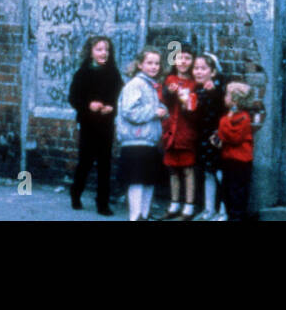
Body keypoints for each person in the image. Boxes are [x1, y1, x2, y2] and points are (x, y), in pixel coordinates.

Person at [67, 34, 123, 215]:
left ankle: (102, 203)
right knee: (86, 161)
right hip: (88, 123)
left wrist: (111, 107)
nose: (103, 53)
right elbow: (73, 97)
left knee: (105, 163)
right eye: (99, 49)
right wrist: (88, 105)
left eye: (106, 50)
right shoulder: (83, 73)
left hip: (106, 124)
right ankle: (76, 192)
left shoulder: (113, 73)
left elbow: (119, 97)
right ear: (90, 52)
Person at [116, 47, 168, 221]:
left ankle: (143, 216)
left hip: (148, 141)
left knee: (148, 180)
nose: (154, 67)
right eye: (149, 63)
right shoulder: (136, 84)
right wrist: (155, 111)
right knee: (137, 180)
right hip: (136, 140)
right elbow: (129, 112)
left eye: (157, 63)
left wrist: (162, 110)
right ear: (140, 64)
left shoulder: (151, 85)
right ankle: (135, 216)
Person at [160, 45, 199, 220]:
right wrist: (169, 92)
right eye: (180, 57)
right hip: (171, 131)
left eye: (187, 58)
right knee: (173, 169)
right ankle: (174, 203)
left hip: (186, 131)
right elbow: (163, 100)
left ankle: (189, 206)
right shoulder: (169, 80)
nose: (183, 61)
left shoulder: (194, 83)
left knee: (188, 169)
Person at [191, 52, 227, 221]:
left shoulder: (219, 90)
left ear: (212, 72)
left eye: (203, 68)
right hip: (203, 138)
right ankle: (209, 209)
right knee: (208, 174)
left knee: (220, 174)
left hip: (216, 138)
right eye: (196, 68)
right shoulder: (197, 90)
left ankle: (224, 210)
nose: (198, 72)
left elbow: (223, 113)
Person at [218, 82, 260, 222]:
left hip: (240, 161)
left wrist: (224, 122)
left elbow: (233, 137)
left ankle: (237, 215)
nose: (224, 98)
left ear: (235, 100)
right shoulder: (234, 117)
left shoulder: (243, 118)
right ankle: (233, 214)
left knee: (237, 191)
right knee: (228, 189)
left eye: (227, 95)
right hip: (230, 159)